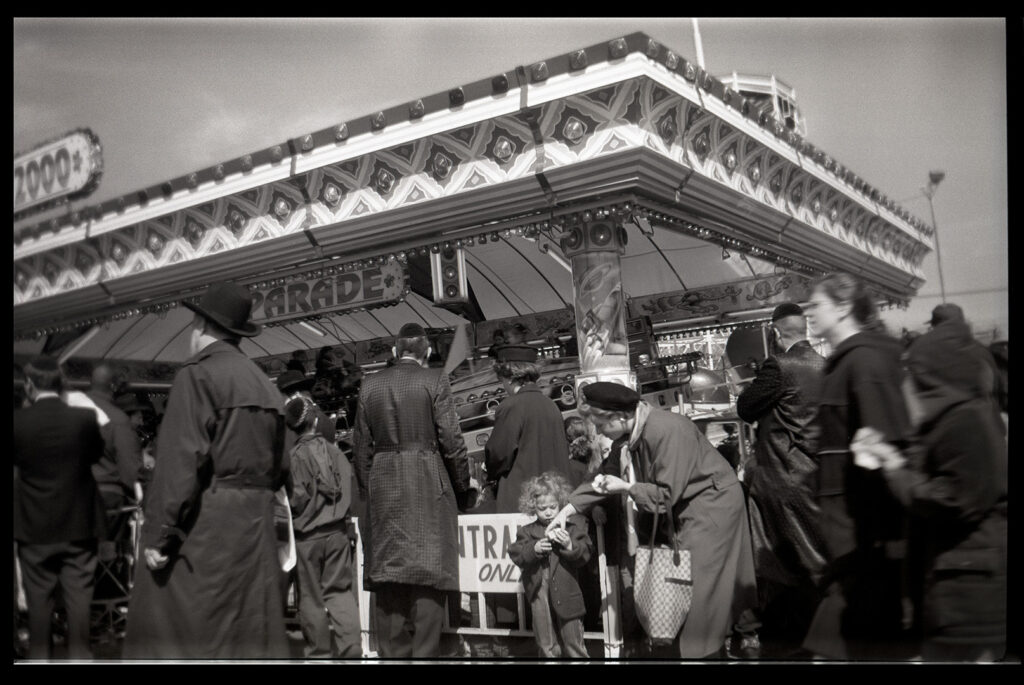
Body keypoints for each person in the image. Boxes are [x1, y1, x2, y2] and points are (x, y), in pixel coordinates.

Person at [123, 281, 289, 659]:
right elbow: (282, 467)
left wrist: (160, 533)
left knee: (177, 632)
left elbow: (180, 461)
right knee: (247, 636)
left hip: (207, 526)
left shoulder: (197, 375)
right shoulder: (266, 386)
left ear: (200, 326)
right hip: (254, 528)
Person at [548, 382, 758, 659]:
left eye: (599, 423)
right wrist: (567, 510)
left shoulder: (667, 430)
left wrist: (625, 488)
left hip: (712, 508)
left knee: (698, 589)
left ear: (619, 416)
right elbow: (601, 477)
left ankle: (705, 652)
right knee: (698, 586)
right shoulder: (630, 435)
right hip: (690, 507)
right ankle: (733, 640)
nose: (597, 431)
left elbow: (666, 495)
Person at [850, 320, 1007, 661]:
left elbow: (953, 499)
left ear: (931, 376)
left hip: (971, 598)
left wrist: (894, 469)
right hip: (957, 588)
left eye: (912, 373)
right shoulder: (954, 419)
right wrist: (892, 456)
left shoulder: (968, 421)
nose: (905, 383)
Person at [801, 272, 915, 660]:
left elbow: (889, 444)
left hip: (865, 528)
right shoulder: (846, 362)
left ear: (844, 307)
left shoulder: (864, 361)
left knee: (858, 629)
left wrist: (887, 533)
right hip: (849, 527)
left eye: (816, 304)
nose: (809, 312)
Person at [352, 322, 474, 658]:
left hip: (383, 482)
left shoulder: (369, 385)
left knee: (388, 576)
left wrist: (368, 489)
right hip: (427, 480)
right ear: (428, 352)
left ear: (394, 351)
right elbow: (452, 441)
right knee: (428, 572)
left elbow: (360, 448)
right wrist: (462, 488)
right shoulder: (434, 379)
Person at [734, 303, 829, 655]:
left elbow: (746, 407)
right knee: (814, 560)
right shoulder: (825, 365)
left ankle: (789, 643)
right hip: (815, 477)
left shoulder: (780, 365)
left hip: (782, 482)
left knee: (779, 566)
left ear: (774, 333)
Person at [14, 356, 106, 659]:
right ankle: (80, 657)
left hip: (34, 526)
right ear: (61, 383)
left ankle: (39, 657)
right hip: (79, 523)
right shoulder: (84, 420)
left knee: (38, 605)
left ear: (29, 385)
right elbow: (95, 455)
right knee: (80, 602)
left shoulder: (18, 422)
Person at [284, 394, 362, 658]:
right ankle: (351, 650)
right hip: (337, 533)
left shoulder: (293, 458)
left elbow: (295, 499)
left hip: (307, 538)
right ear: (315, 421)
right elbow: (349, 485)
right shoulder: (335, 451)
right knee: (340, 594)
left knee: (311, 598)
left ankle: (319, 656)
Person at [508, 472, 593, 659]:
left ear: (561, 504)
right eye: (542, 508)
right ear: (533, 507)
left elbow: (585, 554)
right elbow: (516, 553)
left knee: (574, 643)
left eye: (553, 507)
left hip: (568, 595)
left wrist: (569, 545)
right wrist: (534, 549)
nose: (548, 512)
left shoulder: (571, 528)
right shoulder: (527, 531)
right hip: (540, 595)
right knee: (546, 645)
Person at [484, 344, 571, 513]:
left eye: (501, 379)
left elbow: (498, 454)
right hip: (553, 498)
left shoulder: (511, 405)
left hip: (523, 498)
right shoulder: (550, 405)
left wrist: (489, 475)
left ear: (509, 377)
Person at [926, 303, 1005, 433]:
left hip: (958, 432)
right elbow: (997, 389)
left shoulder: (933, 355)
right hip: (989, 427)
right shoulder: (980, 349)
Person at [86, 364, 145, 538]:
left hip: (67, 493)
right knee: (106, 553)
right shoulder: (118, 419)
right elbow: (130, 471)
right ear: (113, 386)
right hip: (105, 496)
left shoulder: (70, 409)